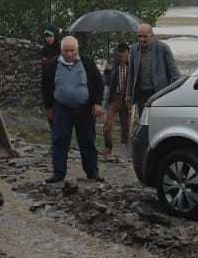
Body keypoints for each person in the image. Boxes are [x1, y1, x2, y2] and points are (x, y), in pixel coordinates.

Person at [41, 35, 103, 183]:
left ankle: (92, 172)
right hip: (61, 108)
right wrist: (48, 107)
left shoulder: (87, 62)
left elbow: (98, 83)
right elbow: (46, 86)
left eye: (72, 50)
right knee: (59, 140)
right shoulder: (53, 64)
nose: (69, 54)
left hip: (85, 108)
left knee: (87, 140)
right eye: (66, 51)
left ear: (77, 49)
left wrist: (97, 103)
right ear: (61, 50)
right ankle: (58, 173)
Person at [129, 22, 180, 114]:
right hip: (141, 93)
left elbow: (174, 73)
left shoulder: (163, 48)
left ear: (152, 35)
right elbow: (131, 74)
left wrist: (177, 92)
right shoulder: (134, 49)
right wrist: (128, 94)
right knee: (143, 118)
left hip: (158, 92)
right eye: (139, 36)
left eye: (145, 36)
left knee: (158, 117)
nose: (142, 39)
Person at [100, 43, 133, 156]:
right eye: (119, 55)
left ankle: (125, 148)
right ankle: (108, 146)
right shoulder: (113, 64)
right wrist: (107, 71)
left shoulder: (133, 65)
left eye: (124, 54)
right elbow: (105, 81)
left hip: (127, 99)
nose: (121, 57)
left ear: (128, 53)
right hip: (114, 99)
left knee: (126, 127)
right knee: (107, 126)